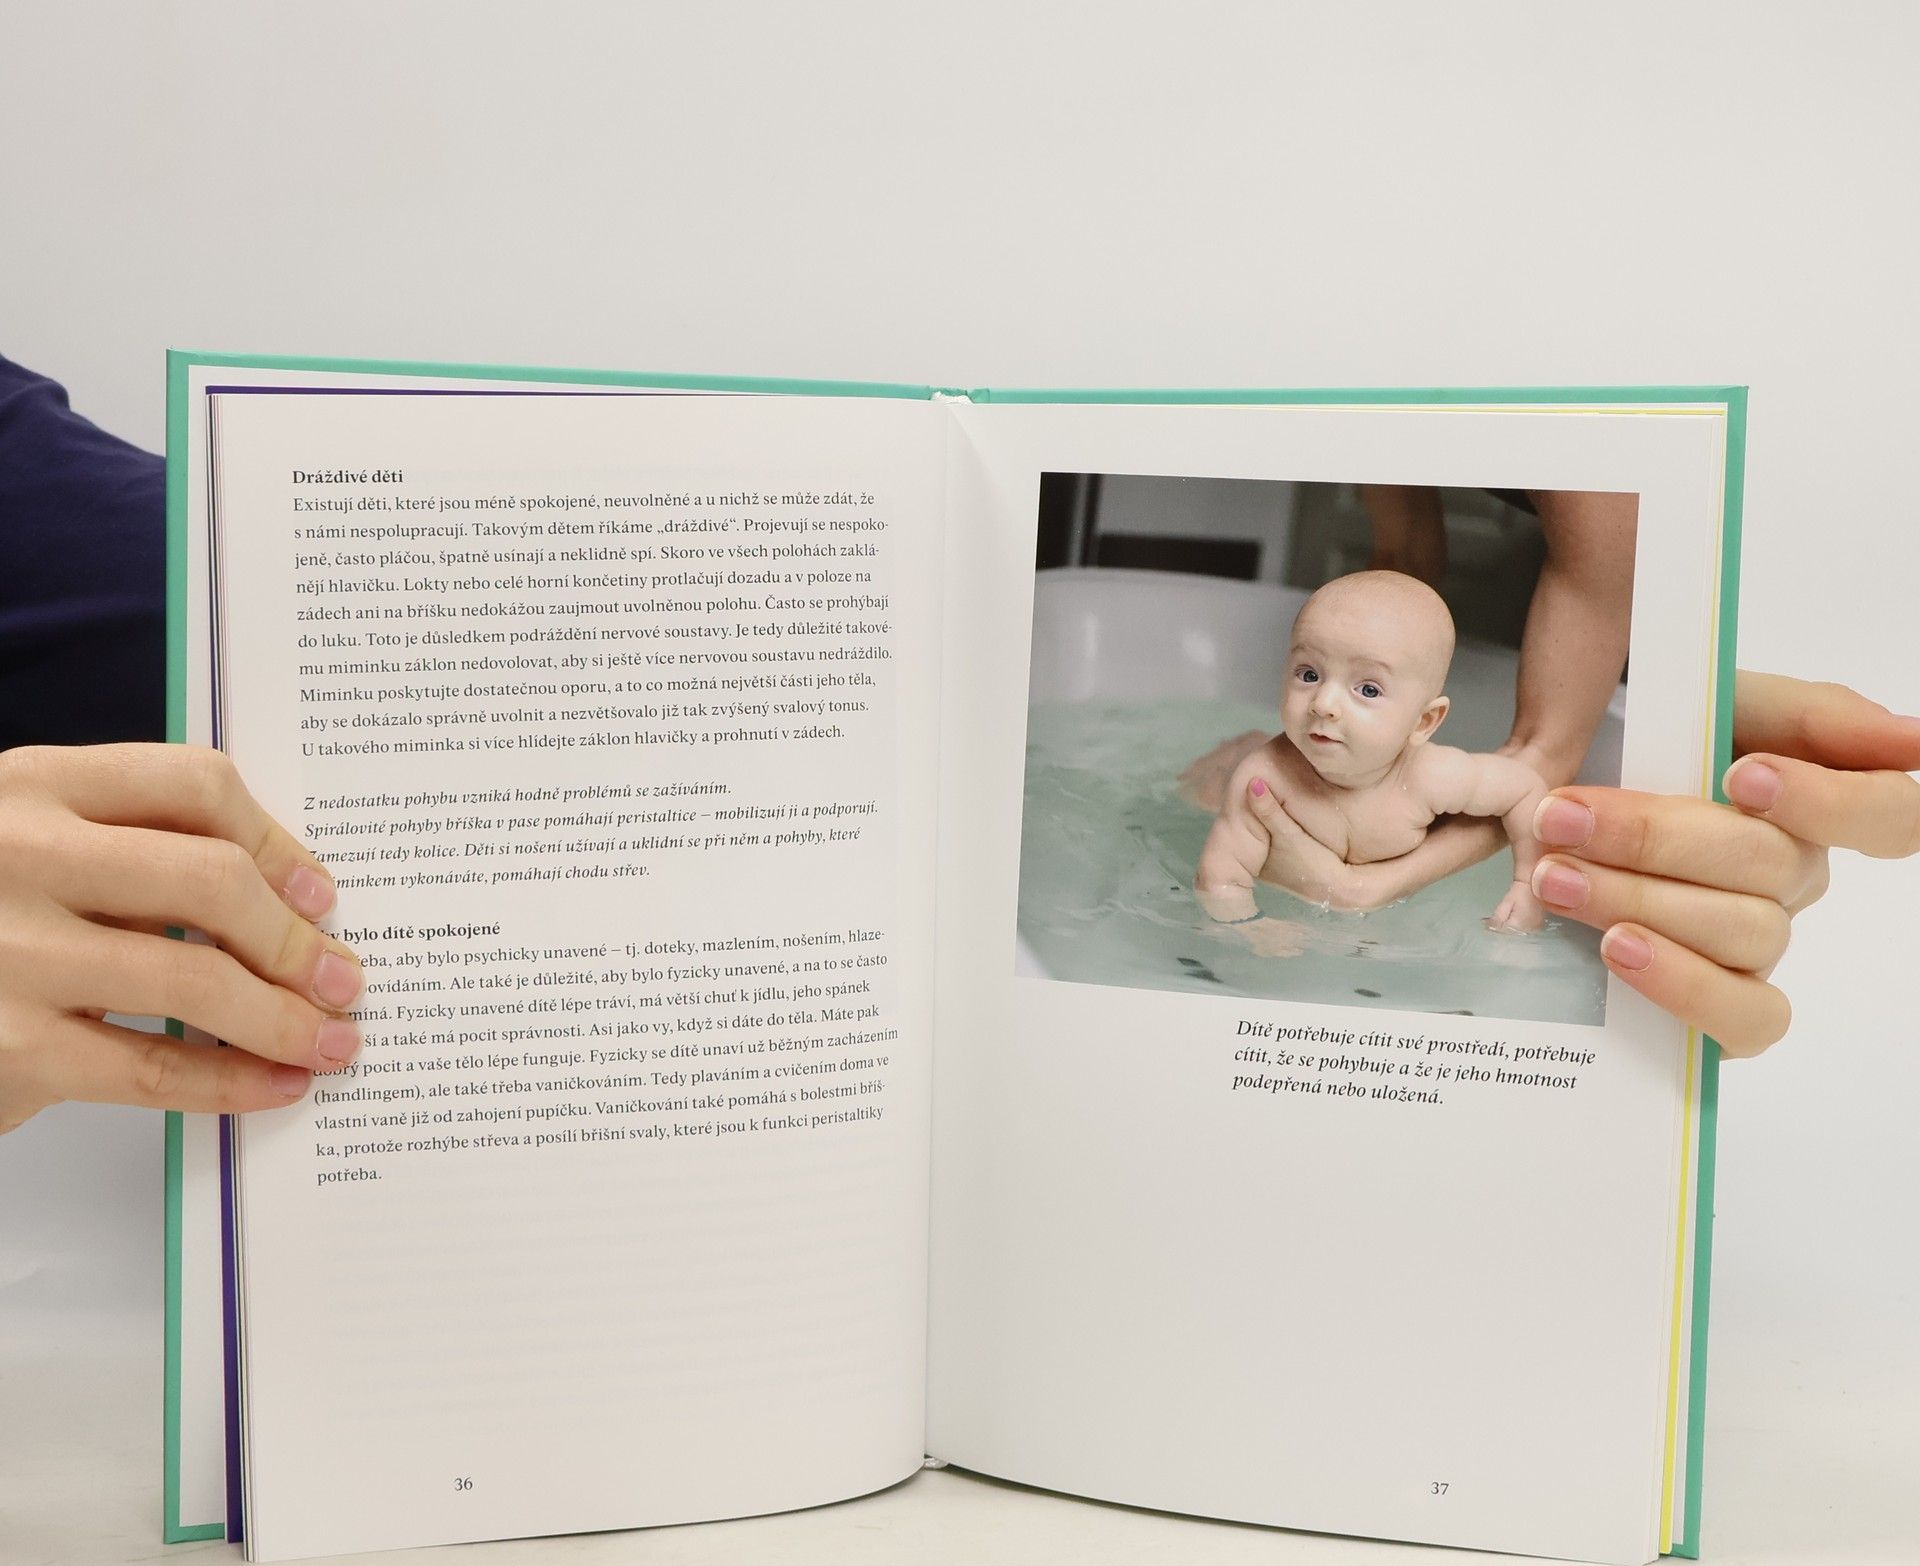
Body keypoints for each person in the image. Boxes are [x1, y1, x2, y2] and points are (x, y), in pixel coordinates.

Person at [3, 359, 1918, 1139]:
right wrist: (1264, 886)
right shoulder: (1254, 775)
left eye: (1369, 693)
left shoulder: (1451, 766)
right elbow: (1233, 874)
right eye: (1308, 675)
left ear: (1432, 721)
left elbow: (278, 612)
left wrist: (1595, 798)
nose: (1325, 710)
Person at [1191, 570, 1547, 932]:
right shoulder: (1265, 778)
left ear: (1424, 721)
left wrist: (1527, 887)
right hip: (1217, 782)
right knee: (1208, 787)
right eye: (1309, 674)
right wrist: (1250, 927)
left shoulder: (1431, 777)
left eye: (1368, 690)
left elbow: (1526, 790)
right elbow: (1219, 881)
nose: (1323, 703)